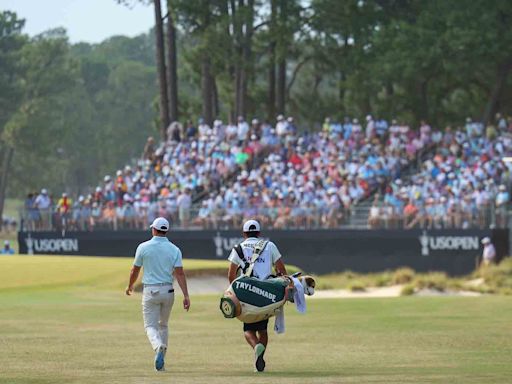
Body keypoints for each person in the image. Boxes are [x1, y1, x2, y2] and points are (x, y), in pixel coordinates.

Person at [125, 217, 191, 371]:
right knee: (164, 325)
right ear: (166, 231)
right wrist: (186, 295)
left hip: (150, 291)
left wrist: (130, 285)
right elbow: (180, 274)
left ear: (154, 229)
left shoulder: (143, 247)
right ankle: (161, 364)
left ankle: (158, 346)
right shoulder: (174, 249)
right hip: (168, 291)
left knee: (150, 326)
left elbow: (135, 270)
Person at [227, 219, 287, 372]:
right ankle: (258, 359)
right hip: (266, 294)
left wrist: (237, 292)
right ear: (259, 233)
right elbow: (281, 270)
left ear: (244, 233)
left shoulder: (238, 248)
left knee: (248, 330)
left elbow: (231, 275)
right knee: (263, 330)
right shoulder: (269, 245)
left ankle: (256, 347)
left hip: (247, 294)